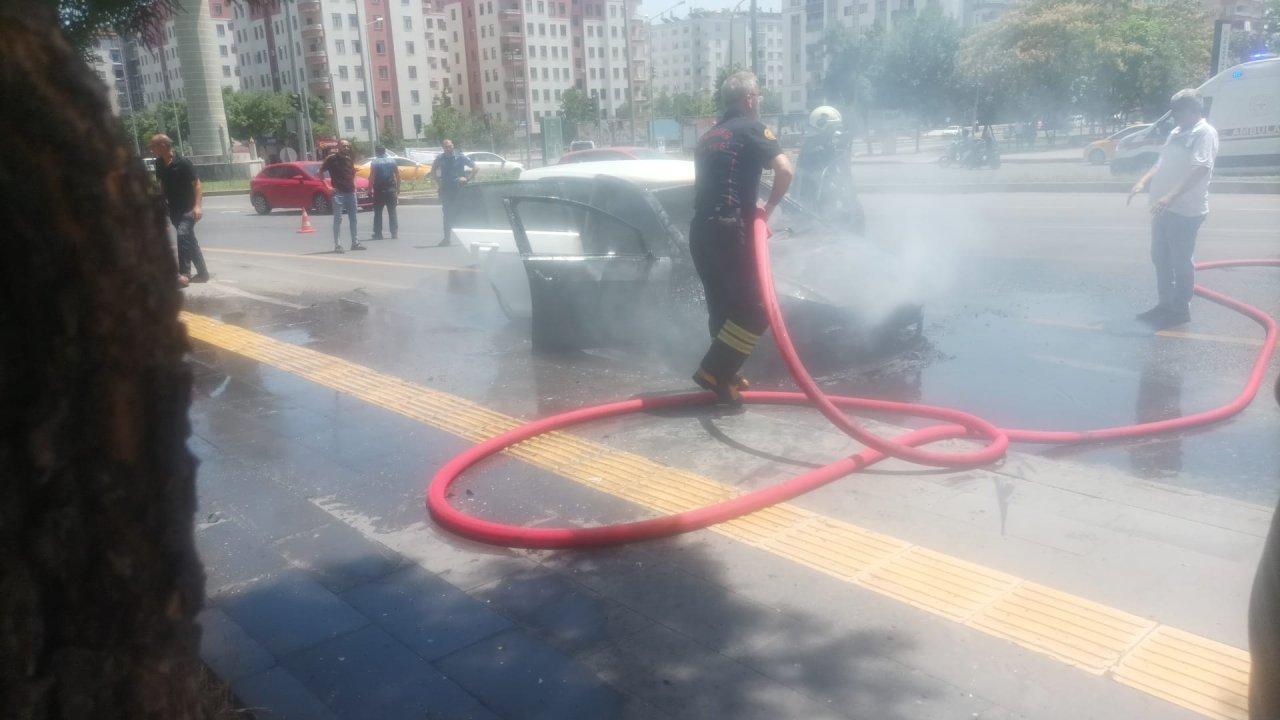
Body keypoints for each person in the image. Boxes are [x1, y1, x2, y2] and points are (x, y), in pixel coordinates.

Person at [689, 71, 794, 406]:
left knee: (723, 308)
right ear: (750, 100)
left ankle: (725, 378)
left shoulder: (708, 137)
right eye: (758, 96)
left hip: (700, 230)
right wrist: (768, 209)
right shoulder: (752, 128)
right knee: (757, 309)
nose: (758, 102)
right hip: (729, 227)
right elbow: (785, 170)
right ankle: (713, 370)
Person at [1129, 89, 1219, 330]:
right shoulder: (1177, 132)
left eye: (1178, 110)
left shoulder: (1205, 133)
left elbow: (1200, 169)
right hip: (1163, 208)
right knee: (1160, 257)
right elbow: (1161, 162)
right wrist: (1142, 181)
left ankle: (1180, 310)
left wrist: (1170, 196)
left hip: (1185, 211)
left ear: (1193, 109)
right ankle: (1165, 304)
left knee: (1180, 261)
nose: (1174, 115)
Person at [150, 133, 209, 284]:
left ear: (163, 145)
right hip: (174, 210)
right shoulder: (159, 163)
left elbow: (197, 184)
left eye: (153, 146)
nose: (151, 149)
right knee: (189, 240)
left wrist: (197, 206)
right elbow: (161, 187)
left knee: (182, 235)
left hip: (189, 209)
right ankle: (203, 274)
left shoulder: (183, 163)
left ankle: (184, 274)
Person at [321, 140, 365, 253]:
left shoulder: (349, 158)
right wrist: (328, 187)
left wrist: (354, 185)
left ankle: (355, 243)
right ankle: (338, 245)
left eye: (347, 146)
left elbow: (353, 173)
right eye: (344, 146)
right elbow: (320, 172)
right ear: (338, 146)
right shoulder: (331, 159)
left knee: (353, 219)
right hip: (338, 194)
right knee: (338, 219)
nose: (346, 148)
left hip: (351, 193)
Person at [431, 138, 475, 247]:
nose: (448, 148)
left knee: (462, 213)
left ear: (453, 146)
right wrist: (439, 183)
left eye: (450, 146)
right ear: (443, 148)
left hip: (459, 189)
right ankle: (447, 239)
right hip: (446, 190)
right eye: (446, 147)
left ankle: (468, 239)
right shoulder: (440, 158)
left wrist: (467, 179)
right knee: (446, 215)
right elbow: (433, 170)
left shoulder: (460, 157)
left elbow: (476, 167)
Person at [369, 145, 399, 240]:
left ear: (376, 152)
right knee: (392, 212)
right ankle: (394, 233)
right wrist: (398, 188)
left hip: (379, 191)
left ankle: (378, 234)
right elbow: (397, 175)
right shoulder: (392, 161)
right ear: (385, 151)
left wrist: (369, 189)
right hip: (391, 190)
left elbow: (372, 176)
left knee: (378, 213)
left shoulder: (375, 162)